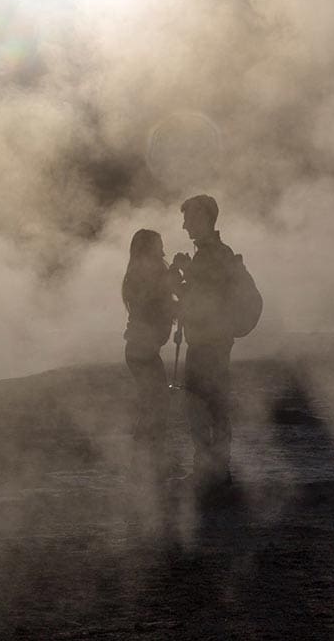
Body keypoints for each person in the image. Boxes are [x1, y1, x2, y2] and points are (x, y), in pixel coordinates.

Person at [171, 194, 238, 492]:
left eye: (189, 219)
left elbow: (203, 302)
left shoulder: (211, 255)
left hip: (208, 343)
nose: (184, 225)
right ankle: (217, 471)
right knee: (213, 404)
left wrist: (182, 280)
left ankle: (210, 472)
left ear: (203, 219)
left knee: (202, 405)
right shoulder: (216, 253)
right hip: (214, 341)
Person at [121, 228, 178, 481]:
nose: (162, 249)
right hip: (142, 349)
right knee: (156, 406)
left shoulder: (142, 274)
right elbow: (157, 303)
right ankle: (146, 463)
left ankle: (147, 462)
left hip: (141, 348)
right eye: (158, 245)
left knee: (154, 405)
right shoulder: (145, 275)